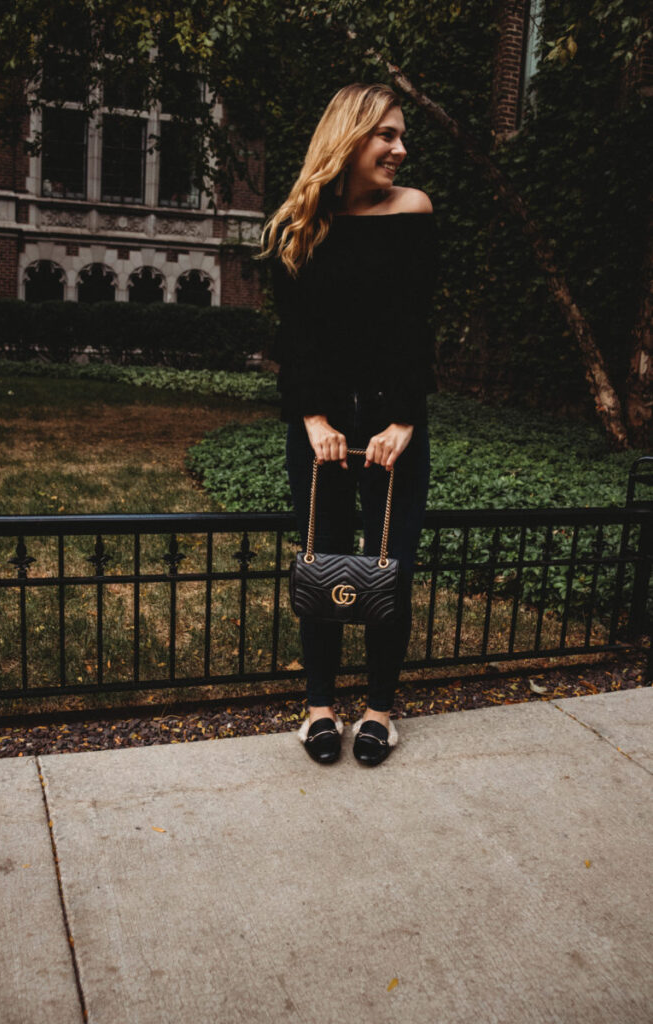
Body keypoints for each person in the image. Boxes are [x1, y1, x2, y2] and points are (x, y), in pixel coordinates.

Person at [260, 82, 439, 766]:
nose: (400, 148)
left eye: (399, 136)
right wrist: (310, 417)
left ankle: (379, 711)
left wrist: (403, 420)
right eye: (386, 135)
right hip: (320, 423)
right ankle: (317, 709)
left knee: (389, 564)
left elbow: (412, 326)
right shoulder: (296, 224)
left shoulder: (411, 211)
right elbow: (296, 335)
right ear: (349, 138)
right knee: (321, 557)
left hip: (392, 420)